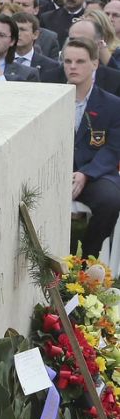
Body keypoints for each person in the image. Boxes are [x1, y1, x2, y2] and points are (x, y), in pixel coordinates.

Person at [64, 36, 120, 255]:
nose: (73, 67)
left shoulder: (112, 105)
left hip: (94, 173)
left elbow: (113, 149)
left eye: (80, 61)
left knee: (111, 199)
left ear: (95, 64)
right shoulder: (50, 99)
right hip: (54, 171)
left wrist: (85, 174)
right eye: (68, 61)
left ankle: (88, 258)